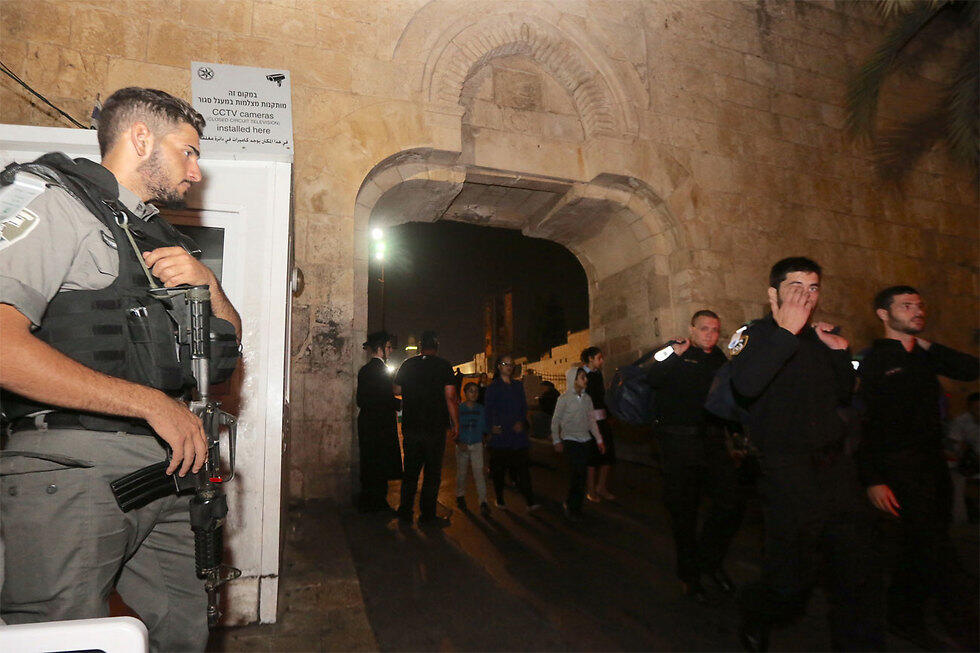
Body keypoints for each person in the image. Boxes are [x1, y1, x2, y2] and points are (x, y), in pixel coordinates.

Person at [0, 87, 241, 651]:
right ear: (140, 138)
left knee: (184, 629)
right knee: (62, 637)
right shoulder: (52, 201)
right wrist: (149, 404)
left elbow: (226, 347)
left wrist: (207, 282)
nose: (196, 171)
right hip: (73, 467)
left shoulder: (158, 233)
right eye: (188, 151)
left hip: (169, 469)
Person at [729, 257, 882, 652]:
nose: (806, 295)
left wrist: (840, 352)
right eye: (796, 286)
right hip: (787, 472)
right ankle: (757, 612)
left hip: (836, 469)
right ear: (773, 294)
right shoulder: (754, 335)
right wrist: (786, 332)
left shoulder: (819, 338)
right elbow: (745, 385)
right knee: (791, 576)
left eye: (813, 287)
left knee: (857, 567)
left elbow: (843, 393)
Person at [856, 286, 979, 646]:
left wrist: (928, 346)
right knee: (935, 548)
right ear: (884, 314)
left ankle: (904, 617)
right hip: (898, 469)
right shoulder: (874, 361)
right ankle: (963, 623)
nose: (917, 311)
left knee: (921, 548)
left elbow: (971, 369)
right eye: (906, 306)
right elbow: (865, 424)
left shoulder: (925, 356)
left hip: (933, 467)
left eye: (919, 305)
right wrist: (873, 479)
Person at [646, 310, 746, 603]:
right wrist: (673, 354)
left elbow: (728, 401)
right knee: (684, 513)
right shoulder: (675, 350)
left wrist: (737, 435)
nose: (710, 335)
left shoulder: (719, 360)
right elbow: (652, 376)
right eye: (704, 329)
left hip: (711, 443)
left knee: (731, 503)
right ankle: (689, 576)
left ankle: (709, 562)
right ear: (691, 329)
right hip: (677, 445)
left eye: (715, 330)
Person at [394, 330, 459, 527]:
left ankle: (405, 512)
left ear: (420, 346)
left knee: (410, 472)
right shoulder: (444, 366)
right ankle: (427, 515)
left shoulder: (408, 364)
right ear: (437, 345)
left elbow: (396, 389)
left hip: (412, 426)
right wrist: (456, 423)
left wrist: (413, 391)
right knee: (432, 473)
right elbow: (450, 397)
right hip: (435, 428)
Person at [485, 354, 539, 510]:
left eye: (511, 364)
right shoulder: (493, 387)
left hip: (517, 435)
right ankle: (500, 499)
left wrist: (521, 421)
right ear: (499, 367)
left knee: (523, 469)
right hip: (501, 435)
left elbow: (523, 406)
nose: (509, 367)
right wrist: (491, 427)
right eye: (505, 364)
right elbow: (488, 410)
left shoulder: (517, 385)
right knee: (499, 471)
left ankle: (530, 501)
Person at [356, 331, 402, 513]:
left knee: (368, 461)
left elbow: (360, 400)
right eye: (388, 347)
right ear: (380, 349)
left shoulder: (364, 370)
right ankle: (379, 502)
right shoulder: (382, 371)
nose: (390, 351)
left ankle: (368, 499)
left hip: (367, 422)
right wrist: (400, 404)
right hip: (381, 423)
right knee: (381, 462)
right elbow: (385, 399)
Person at [551, 367, 605, 519]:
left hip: (585, 440)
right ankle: (571, 505)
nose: (586, 380)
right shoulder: (564, 399)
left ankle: (576, 505)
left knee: (581, 475)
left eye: (585, 377)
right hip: (571, 441)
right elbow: (555, 421)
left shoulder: (587, 399)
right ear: (573, 379)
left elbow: (592, 421)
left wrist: (599, 439)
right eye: (582, 377)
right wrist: (556, 440)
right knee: (577, 473)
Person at [582, 346, 616, 501]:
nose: (602, 361)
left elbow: (601, 398)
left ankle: (601, 487)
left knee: (608, 455)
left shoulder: (598, 375)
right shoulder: (581, 375)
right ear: (590, 359)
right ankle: (591, 490)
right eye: (599, 358)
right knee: (592, 458)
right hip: (589, 423)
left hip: (602, 421)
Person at [455, 382, 490, 516]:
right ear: (465, 393)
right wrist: (458, 441)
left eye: (476, 391)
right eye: (471, 391)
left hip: (476, 444)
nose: (474, 394)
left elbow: (484, 426)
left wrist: (486, 436)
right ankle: (460, 495)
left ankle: (483, 502)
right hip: (462, 445)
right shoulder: (459, 409)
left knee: (479, 474)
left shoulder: (481, 409)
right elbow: (454, 427)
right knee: (462, 473)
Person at [948, 392, 979, 523]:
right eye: (976, 408)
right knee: (955, 478)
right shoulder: (961, 421)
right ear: (970, 408)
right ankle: (960, 519)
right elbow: (955, 446)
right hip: (967, 463)